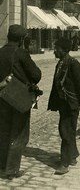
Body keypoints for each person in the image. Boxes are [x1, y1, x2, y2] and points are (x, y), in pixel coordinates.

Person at [0, 24, 42, 180]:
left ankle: (2, 166)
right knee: (19, 135)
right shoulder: (21, 53)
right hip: (18, 99)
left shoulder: (0, 52)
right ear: (22, 39)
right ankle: (11, 170)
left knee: (3, 132)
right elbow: (36, 75)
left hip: (2, 98)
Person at [48, 38, 80, 175]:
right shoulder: (61, 62)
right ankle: (73, 155)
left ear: (64, 50)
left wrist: (79, 103)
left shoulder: (73, 64)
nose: (54, 51)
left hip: (71, 104)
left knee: (65, 130)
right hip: (64, 104)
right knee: (68, 129)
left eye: (56, 48)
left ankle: (64, 163)